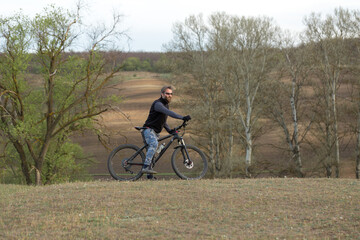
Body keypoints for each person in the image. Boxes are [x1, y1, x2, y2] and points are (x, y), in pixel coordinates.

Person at [141, 86, 191, 175]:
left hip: (155, 132)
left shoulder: (166, 105)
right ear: (162, 94)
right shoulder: (158, 104)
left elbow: (163, 121)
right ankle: (145, 167)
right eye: (167, 93)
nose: (169, 95)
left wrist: (170, 131)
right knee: (154, 144)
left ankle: (149, 177)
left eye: (171, 94)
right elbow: (169, 113)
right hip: (148, 130)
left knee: (153, 154)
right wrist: (182, 117)